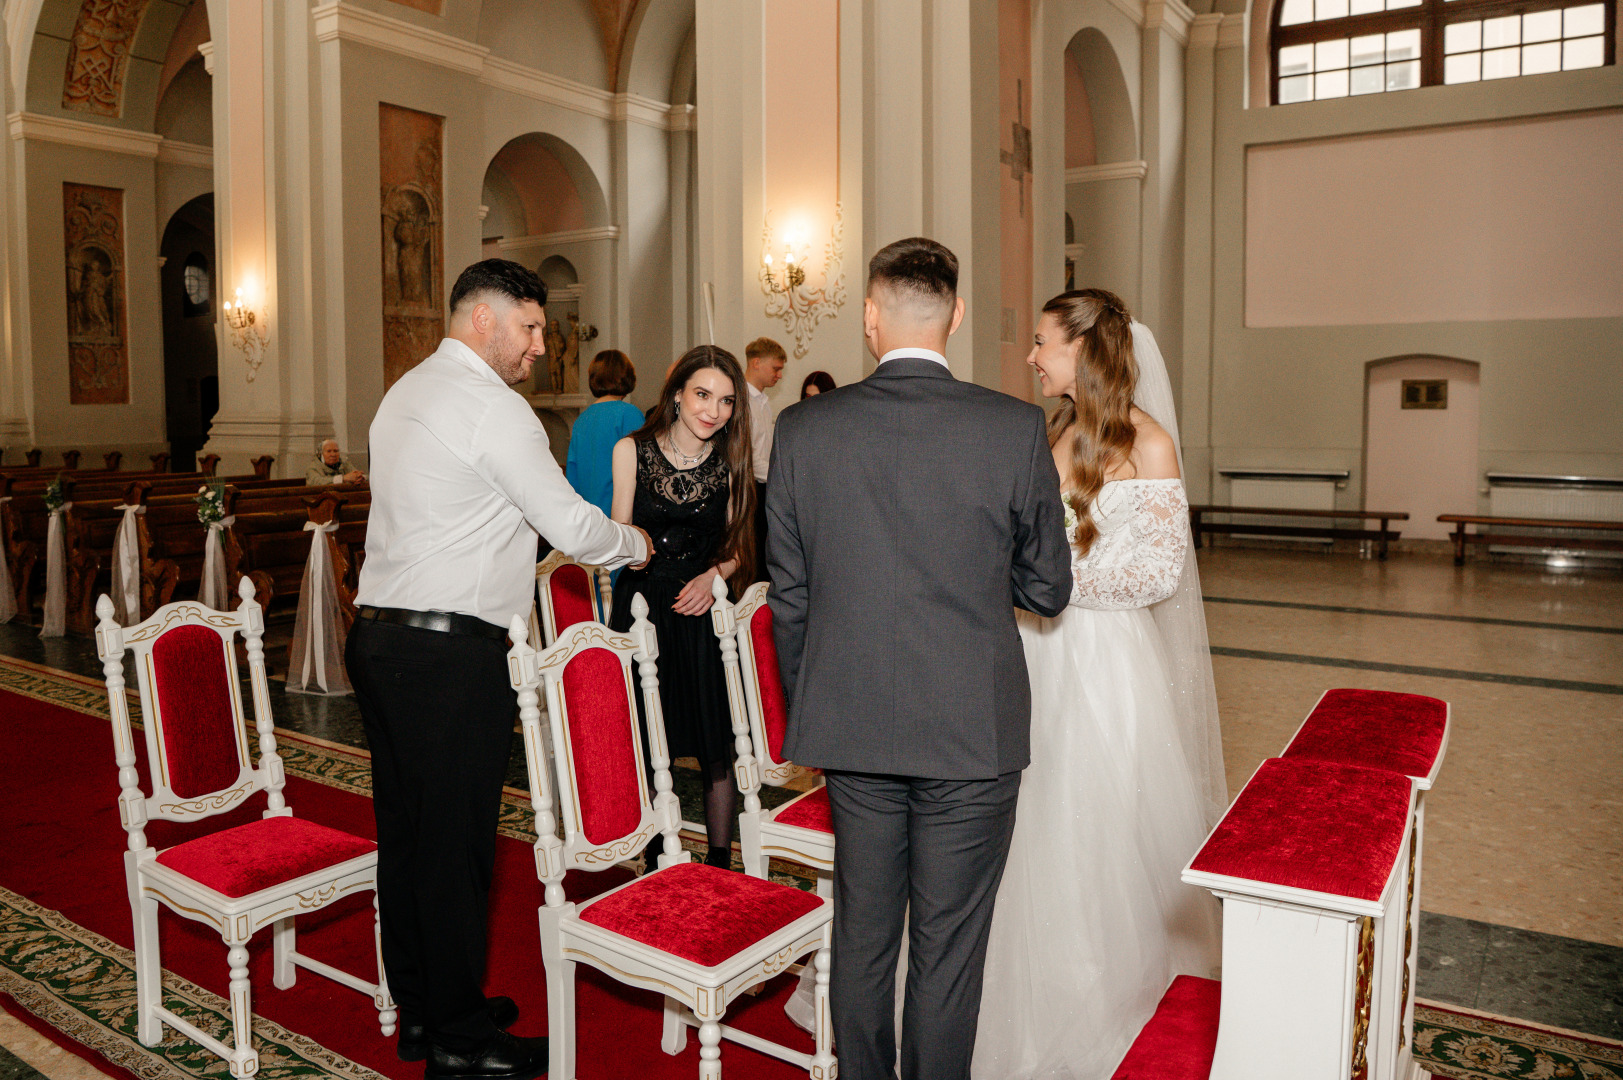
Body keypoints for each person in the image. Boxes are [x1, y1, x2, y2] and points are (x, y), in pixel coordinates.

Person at [766, 237, 1072, 1080]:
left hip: (852, 723)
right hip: (971, 727)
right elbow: (1048, 590)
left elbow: (788, 599)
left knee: (863, 934)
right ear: (957, 316)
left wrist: (812, 705)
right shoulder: (1013, 427)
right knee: (948, 948)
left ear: (870, 318)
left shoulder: (802, 429)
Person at [346, 259, 651, 1080]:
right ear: (483, 320)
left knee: (408, 839)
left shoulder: (404, 390)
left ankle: (426, 1009)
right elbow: (572, 529)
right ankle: (458, 1039)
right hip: (448, 654)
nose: (540, 347)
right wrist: (636, 542)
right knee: (454, 849)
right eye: (530, 327)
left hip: (381, 640)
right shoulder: (495, 409)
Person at [972, 289, 1226, 1080]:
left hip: (1098, 661)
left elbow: (1156, 573)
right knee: (1014, 818)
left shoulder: (1146, 444)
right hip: (1026, 650)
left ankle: (1092, 988)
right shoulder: (1054, 430)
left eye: (1041, 340)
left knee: (1084, 821)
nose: (1030, 354)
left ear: (1080, 349)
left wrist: (1043, 582)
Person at [608, 346, 756, 869]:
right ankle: (653, 860)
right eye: (702, 394)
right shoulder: (631, 449)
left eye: (726, 401)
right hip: (643, 608)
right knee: (652, 741)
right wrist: (630, 544)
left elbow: (741, 549)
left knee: (717, 741)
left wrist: (714, 576)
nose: (713, 410)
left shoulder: (731, 463)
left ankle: (719, 862)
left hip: (702, 612)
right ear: (676, 394)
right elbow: (621, 535)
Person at [565, 350, 643, 516]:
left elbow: (573, 477)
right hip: (621, 517)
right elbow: (645, 470)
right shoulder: (629, 414)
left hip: (590, 517)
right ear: (627, 377)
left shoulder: (581, 420)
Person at [743, 337, 785, 581]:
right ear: (756, 363)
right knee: (755, 560)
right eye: (776, 368)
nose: (779, 375)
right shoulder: (743, 401)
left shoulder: (762, 401)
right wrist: (780, 477)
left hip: (765, 484)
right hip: (751, 490)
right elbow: (747, 458)